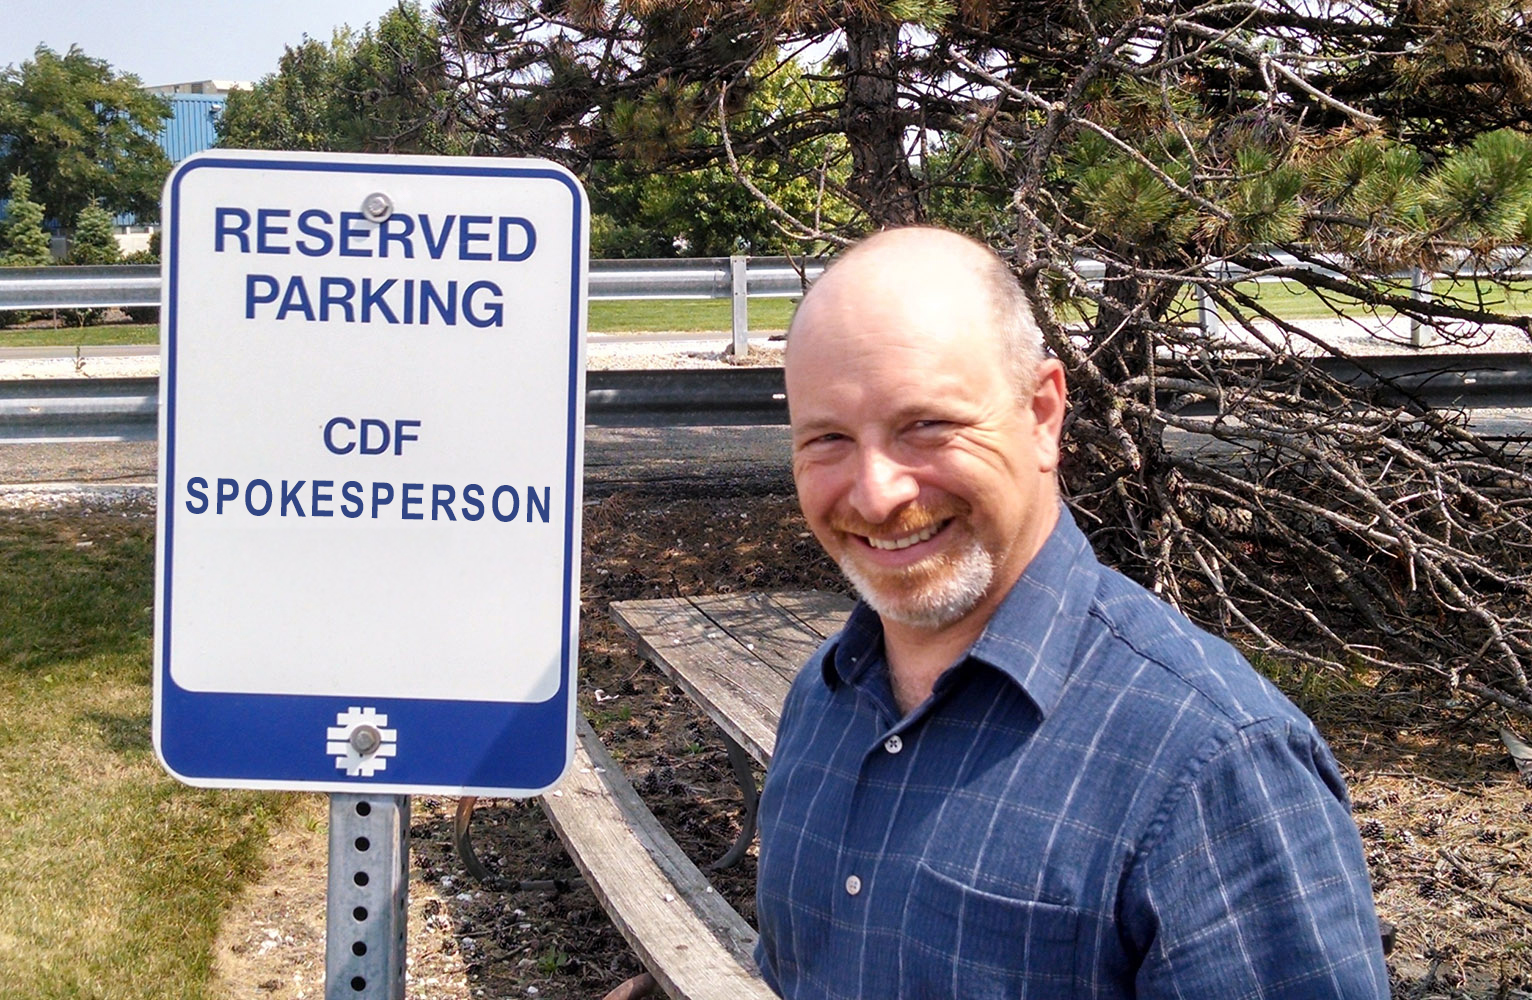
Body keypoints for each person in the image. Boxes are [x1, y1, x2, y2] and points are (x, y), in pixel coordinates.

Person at [753, 226, 1389, 999]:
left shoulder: (1215, 765)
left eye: (926, 425)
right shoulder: (821, 701)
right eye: (827, 439)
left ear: (1044, 414)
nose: (876, 492)